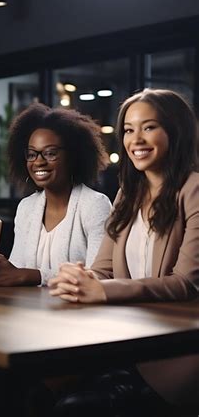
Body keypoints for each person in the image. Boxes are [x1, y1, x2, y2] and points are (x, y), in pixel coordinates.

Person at [48, 89, 199, 415]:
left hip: (176, 350)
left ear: (175, 130)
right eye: (129, 130)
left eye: (149, 127)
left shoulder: (194, 190)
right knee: (29, 387)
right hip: (124, 339)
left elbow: (186, 283)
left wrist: (102, 289)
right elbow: (103, 269)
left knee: (72, 407)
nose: (136, 139)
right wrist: (79, 279)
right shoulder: (128, 194)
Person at [0, 103, 111, 287]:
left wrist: (34, 276)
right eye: (32, 154)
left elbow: (97, 277)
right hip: (30, 309)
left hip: (77, 312)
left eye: (50, 153)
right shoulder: (27, 207)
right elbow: (20, 269)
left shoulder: (95, 205)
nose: (38, 161)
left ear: (73, 156)